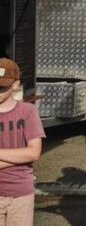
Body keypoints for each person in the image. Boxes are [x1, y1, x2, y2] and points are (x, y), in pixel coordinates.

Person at [0, 59, 43, 226]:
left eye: (2, 87)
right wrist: (19, 156)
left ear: (15, 84)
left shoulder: (27, 111)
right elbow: (28, 153)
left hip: (20, 194)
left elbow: (34, 152)